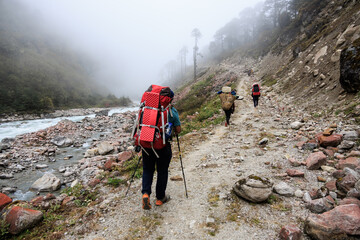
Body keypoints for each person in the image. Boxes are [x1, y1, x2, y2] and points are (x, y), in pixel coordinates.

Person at [142, 90, 181, 210]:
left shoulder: (147, 109)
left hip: (147, 145)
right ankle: (160, 198)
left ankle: (146, 194)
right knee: (162, 171)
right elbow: (178, 130)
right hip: (163, 146)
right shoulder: (171, 111)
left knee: (148, 170)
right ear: (169, 99)